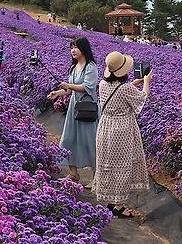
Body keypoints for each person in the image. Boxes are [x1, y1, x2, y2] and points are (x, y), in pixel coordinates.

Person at [92, 51, 153, 217]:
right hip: (122, 130)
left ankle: (112, 200)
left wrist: (136, 82)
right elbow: (141, 98)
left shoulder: (103, 84)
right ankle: (119, 206)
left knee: (108, 163)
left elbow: (118, 91)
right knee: (122, 165)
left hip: (105, 128)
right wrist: (146, 82)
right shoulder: (125, 88)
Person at [47, 37, 99, 184]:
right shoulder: (73, 67)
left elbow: (87, 87)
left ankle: (96, 177)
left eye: (76, 47)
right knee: (68, 139)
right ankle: (73, 173)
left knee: (90, 142)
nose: (73, 50)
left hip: (87, 109)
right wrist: (57, 93)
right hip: (74, 108)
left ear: (84, 49)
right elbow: (70, 90)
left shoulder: (91, 66)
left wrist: (69, 85)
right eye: (71, 47)